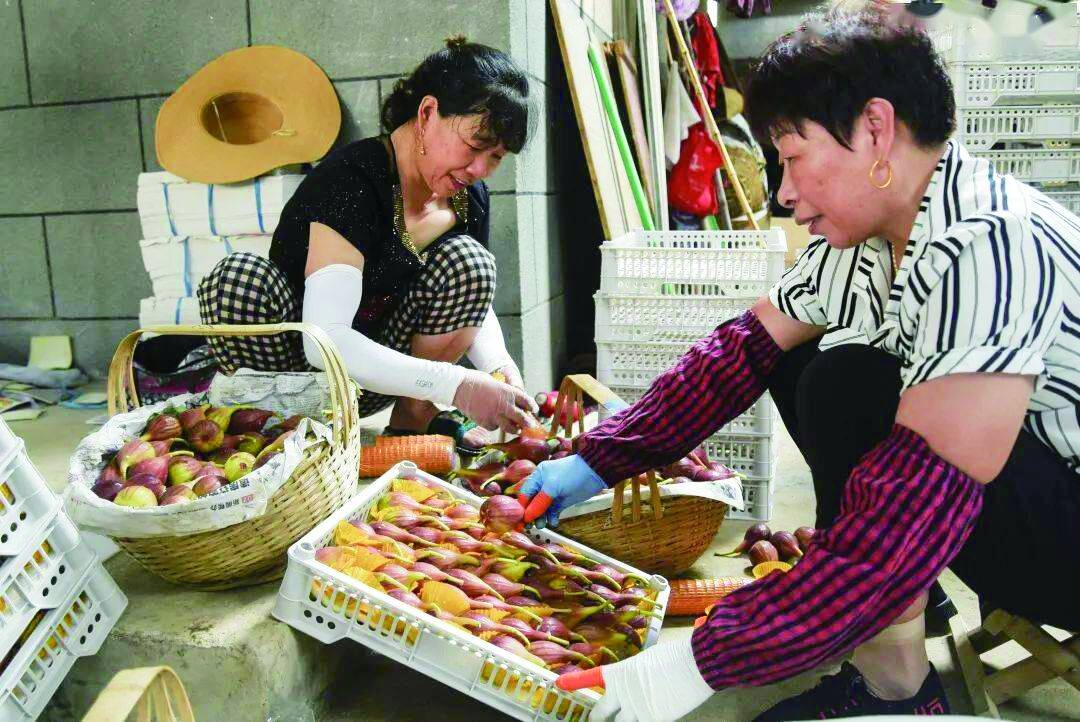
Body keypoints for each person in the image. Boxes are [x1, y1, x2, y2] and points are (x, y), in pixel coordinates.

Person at [524, 8, 1080, 721]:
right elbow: (739, 351)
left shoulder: (987, 244)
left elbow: (914, 505)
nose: (783, 192)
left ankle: (896, 686)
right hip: (1014, 500)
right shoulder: (876, 238)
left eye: (792, 157)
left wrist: (695, 663)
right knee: (807, 363)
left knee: (855, 387)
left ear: (875, 130)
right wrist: (600, 458)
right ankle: (896, 624)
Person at [198, 37, 537, 448]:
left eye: (497, 156)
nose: (480, 168)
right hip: (293, 372)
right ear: (427, 113)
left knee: (471, 261)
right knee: (237, 280)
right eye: (476, 145)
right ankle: (277, 435)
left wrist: (499, 366)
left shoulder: (466, 194)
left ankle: (412, 421)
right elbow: (323, 340)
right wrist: (457, 384)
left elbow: (474, 297)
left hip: (380, 378)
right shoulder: (352, 181)